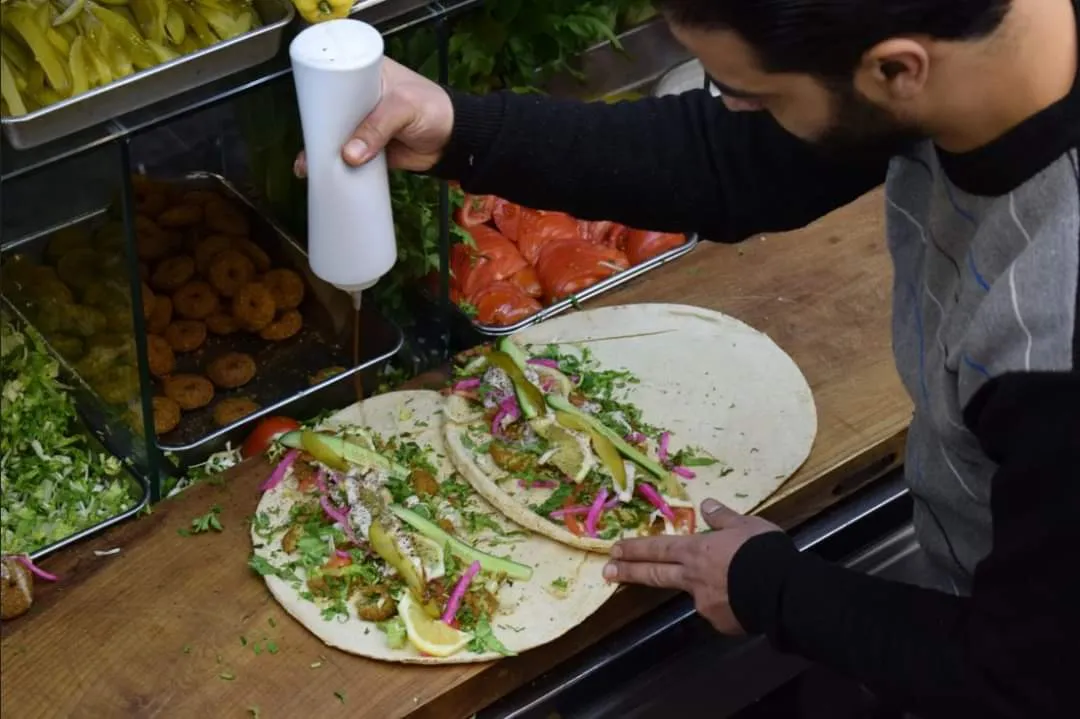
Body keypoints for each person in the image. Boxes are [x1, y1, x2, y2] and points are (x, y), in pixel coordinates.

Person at [295, 0, 1079, 714]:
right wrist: (460, 129)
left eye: (759, 94)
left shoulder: (1053, 335)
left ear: (897, 70)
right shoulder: (968, 54)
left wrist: (771, 586)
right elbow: (738, 163)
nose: (738, 110)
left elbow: (1025, 676)